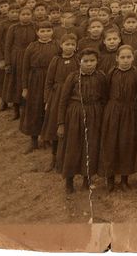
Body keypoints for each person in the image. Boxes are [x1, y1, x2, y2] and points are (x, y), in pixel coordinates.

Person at [57, 48, 108, 194]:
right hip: (75, 114)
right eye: (86, 61)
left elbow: (104, 99)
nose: (89, 64)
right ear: (79, 62)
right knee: (73, 147)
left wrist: (101, 117)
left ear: (97, 62)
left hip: (94, 114)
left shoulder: (101, 77)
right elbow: (63, 100)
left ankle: (87, 180)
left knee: (91, 146)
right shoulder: (73, 77)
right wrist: (61, 123)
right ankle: (69, 181)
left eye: (92, 61)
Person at [99, 45, 137, 191]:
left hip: (129, 112)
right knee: (111, 143)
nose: (125, 60)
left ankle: (125, 179)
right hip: (113, 110)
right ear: (117, 58)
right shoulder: (111, 73)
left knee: (126, 144)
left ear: (133, 58)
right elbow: (105, 92)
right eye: (122, 57)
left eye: (128, 57)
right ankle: (110, 179)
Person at [19, 21, 60, 153]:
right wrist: (25, 87)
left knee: (49, 108)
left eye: (48, 30)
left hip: (52, 81)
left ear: (52, 31)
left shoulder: (57, 45)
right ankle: (34, 140)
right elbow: (24, 68)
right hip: (35, 81)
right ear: (37, 32)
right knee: (35, 109)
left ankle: (47, 137)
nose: (45, 34)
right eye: (42, 31)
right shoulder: (32, 47)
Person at [41, 33, 79, 172]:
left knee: (71, 126)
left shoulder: (78, 60)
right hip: (57, 97)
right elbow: (48, 82)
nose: (69, 47)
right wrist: (47, 100)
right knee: (55, 127)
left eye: (72, 45)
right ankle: (54, 158)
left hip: (73, 97)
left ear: (76, 47)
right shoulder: (56, 60)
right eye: (67, 44)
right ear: (61, 45)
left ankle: (67, 158)